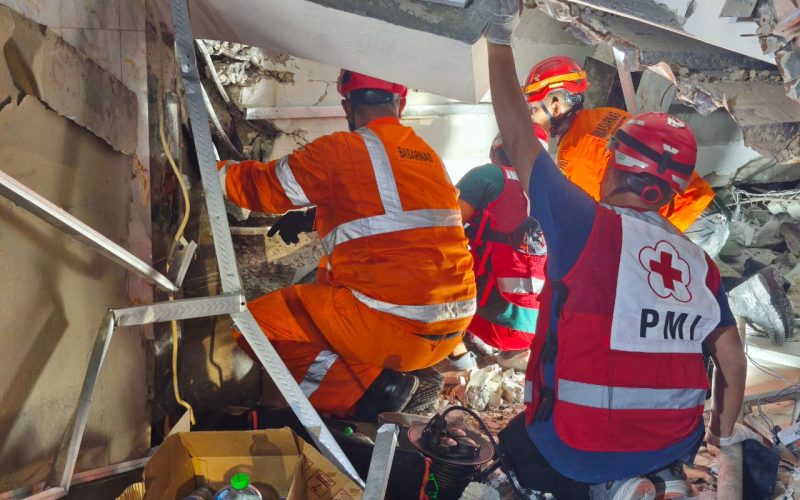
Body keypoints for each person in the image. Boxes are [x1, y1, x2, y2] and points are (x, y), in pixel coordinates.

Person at [482, 3, 749, 498]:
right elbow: (731, 359)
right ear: (670, 192)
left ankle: (611, 485)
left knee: (515, 450)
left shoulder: (586, 224)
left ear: (611, 169)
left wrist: (498, 38)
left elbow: (520, 139)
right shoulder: (699, 263)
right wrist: (721, 434)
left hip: (577, 446)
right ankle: (656, 474)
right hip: (678, 439)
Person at [217, 70, 476, 420]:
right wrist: (310, 218)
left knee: (257, 325)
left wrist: (213, 169)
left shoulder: (342, 149)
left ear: (346, 106)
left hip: (396, 330)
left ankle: (370, 391)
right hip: (450, 330)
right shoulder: (428, 157)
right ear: (400, 104)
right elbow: (391, 215)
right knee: (326, 290)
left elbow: (265, 188)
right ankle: (391, 377)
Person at [522, 55, 716, 233]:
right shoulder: (606, 114)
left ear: (555, 107)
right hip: (701, 200)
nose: (531, 118)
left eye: (533, 110)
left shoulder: (573, 153)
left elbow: (599, 215)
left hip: (684, 222)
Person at [438, 130, 548, 373]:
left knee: (434, 254)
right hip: (540, 329)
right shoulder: (554, 191)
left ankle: (458, 358)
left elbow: (441, 224)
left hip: (493, 322)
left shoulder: (488, 176)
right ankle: (508, 352)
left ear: (495, 152)